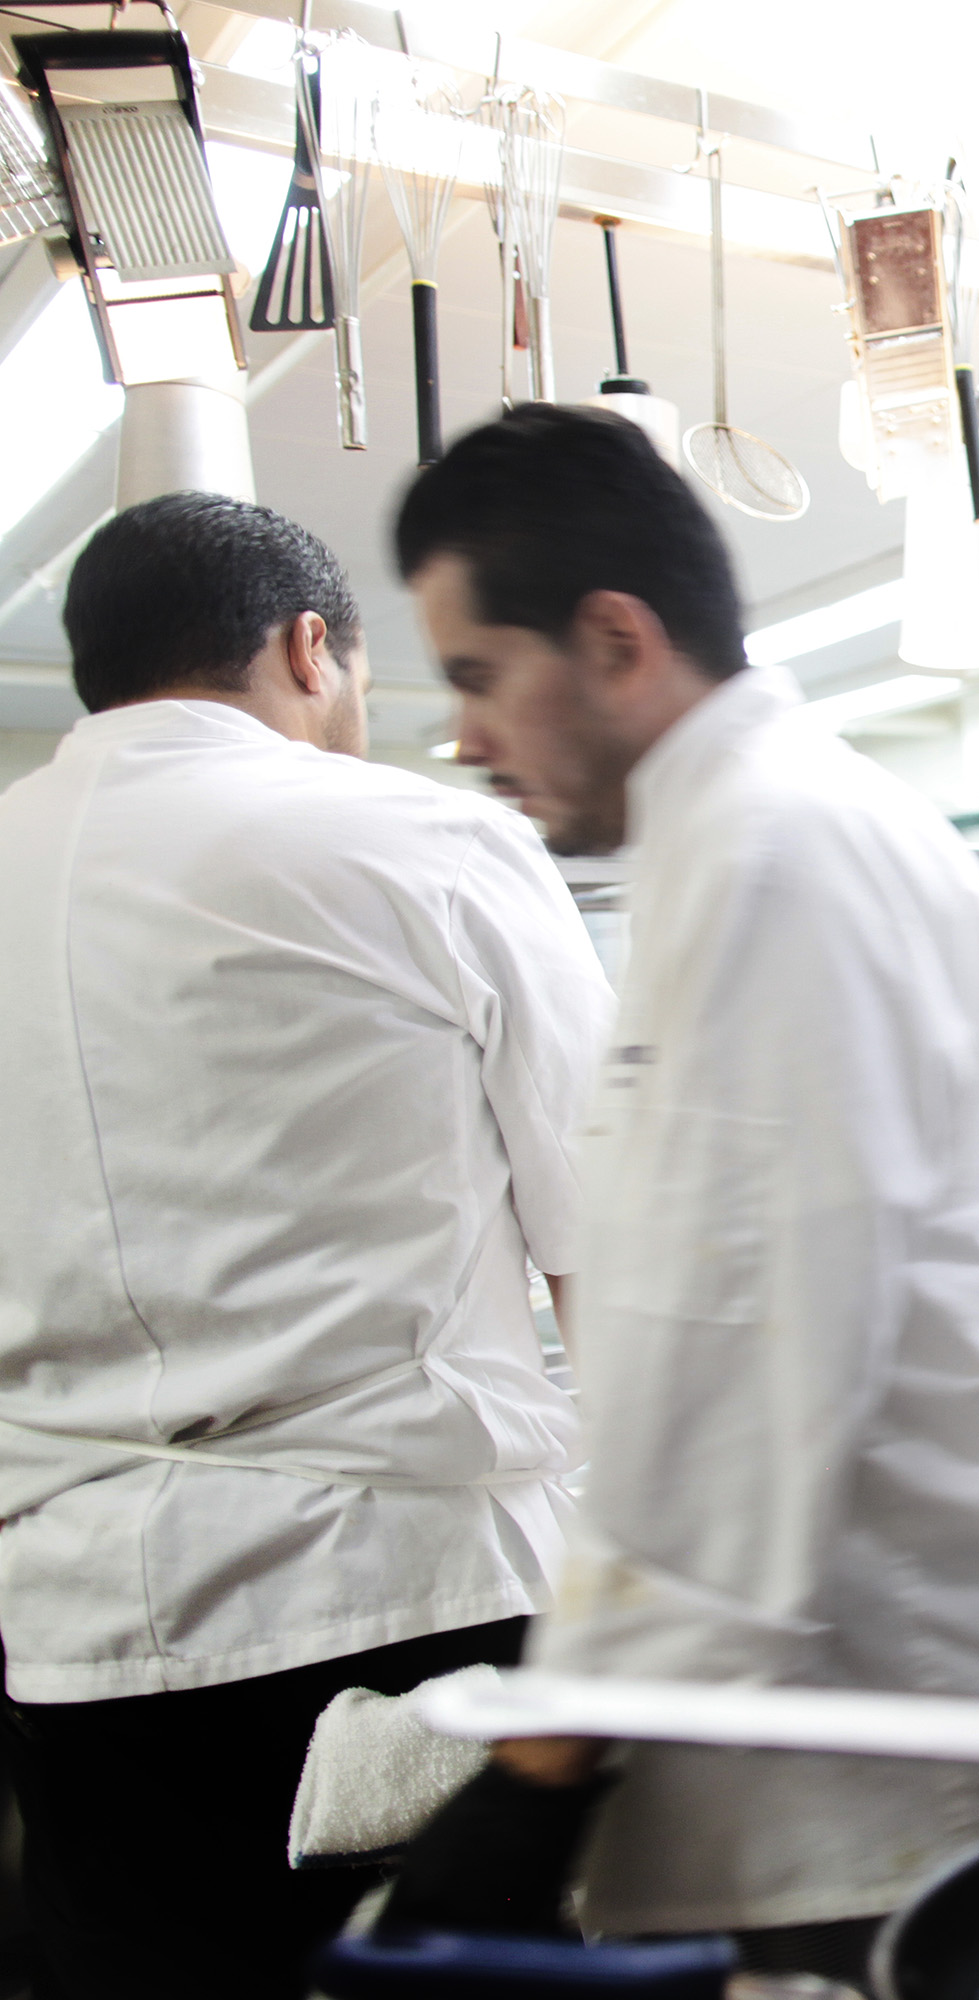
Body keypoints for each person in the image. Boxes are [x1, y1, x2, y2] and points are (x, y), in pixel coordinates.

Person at [379, 408, 979, 1975]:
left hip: (917, 1778)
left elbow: (732, 1385)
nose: (465, 736)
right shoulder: (745, 839)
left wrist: (541, 1774)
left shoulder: (773, 855)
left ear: (615, 640)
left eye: (477, 676)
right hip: (901, 1744)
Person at [0, 495, 610, 1999]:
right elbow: (611, 1240)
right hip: (406, 1595)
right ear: (309, 645)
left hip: (74, 1631)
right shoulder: (429, 837)